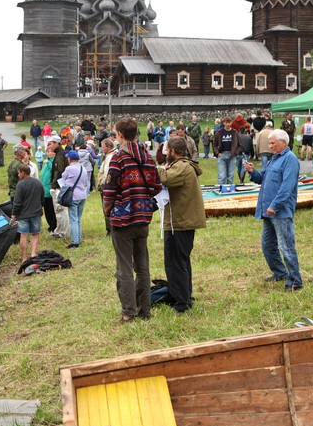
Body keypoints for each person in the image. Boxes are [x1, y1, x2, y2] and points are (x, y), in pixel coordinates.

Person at [102, 118, 160, 323]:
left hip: (123, 218)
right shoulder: (148, 157)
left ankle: (128, 312)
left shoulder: (119, 158)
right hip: (143, 216)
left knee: (124, 268)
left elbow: (109, 190)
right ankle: (145, 310)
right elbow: (157, 186)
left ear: (120, 134)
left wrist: (108, 211)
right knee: (142, 267)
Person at [244, 129, 303, 291]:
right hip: (268, 211)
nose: (270, 146)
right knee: (267, 245)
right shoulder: (274, 159)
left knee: (286, 246)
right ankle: (280, 272)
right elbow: (261, 178)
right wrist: (252, 171)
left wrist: (275, 205)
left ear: (283, 142)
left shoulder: (290, 159)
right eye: (269, 143)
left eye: (272, 143)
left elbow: (287, 187)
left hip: (280, 212)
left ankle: (295, 281)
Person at [157, 136, 206, 313]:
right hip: (181, 220)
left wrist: (153, 168)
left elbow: (166, 178)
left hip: (180, 222)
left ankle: (181, 302)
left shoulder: (182, 166)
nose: (165, 154)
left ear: (173, 151)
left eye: (166, 150)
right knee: (181, 261)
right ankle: (184, 295)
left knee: (175, 262)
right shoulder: (183, 165)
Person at [11, 164, 44, 263]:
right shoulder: (38, 182)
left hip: (23, 215)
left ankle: (24, 257)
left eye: (19, 173)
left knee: (23, 235)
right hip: (36, 213)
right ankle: (33, 254)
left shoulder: (20, 184)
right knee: (35, 234)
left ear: (23, 173)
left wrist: (14, 214)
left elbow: (17, 202)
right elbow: (42, 199)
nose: (18, 175)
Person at [61, 150, 90, 249]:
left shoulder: (69, 168)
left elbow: (63, 178)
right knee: (78, 219)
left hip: (73, 196)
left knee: (73, 219)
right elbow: (85, 182)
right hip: (82, 195)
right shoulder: (83, 168)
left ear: (69, 159)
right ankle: (79, 238)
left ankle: (75, 241)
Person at [47, 135, 69, 238]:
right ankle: (59, 230)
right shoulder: (60, 154)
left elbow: (59, 172)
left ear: (57, 143)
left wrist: (54, 185)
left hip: (59, 187)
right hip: (60, 185)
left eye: (51, 143)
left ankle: (63, 232)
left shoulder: (60, 155)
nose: (49, 146)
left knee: (60, 210)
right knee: (58, 210)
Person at [213, 117, 239, 185]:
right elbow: (214, 144)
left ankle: (229, 190)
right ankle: (221, 189)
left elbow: (240, 145)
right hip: (222, 155)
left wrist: (235, 153)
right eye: (226, 122)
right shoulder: (219, 132)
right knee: (222, 176)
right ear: (223, 123)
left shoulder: (235, 132)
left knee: (230, 176)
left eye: (229, 122)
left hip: (232, 155)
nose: (228, 124)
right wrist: (217, 153)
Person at [40, 148, 57, 234]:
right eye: (48, 151)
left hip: (50, 190)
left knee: (51, 210)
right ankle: (50, 225)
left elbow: (53, 169)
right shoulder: (46, 162)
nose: (49, 153)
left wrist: (49, 162)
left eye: (51, 151)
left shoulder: (53, 162)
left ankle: (54, 226)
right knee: (46, 210)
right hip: (44, 189)